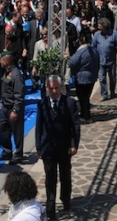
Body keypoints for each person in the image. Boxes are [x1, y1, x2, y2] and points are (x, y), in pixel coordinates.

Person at [35, 75, 80, 220]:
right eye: (51, 88)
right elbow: (39, 126)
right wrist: (38, 147)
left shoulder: (70, 103)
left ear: (61, 88)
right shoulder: (42, 104)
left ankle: (66, 199)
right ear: (46, 88)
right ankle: (50, 208)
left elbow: (75, 126)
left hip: (64, 147)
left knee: (65, 176)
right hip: (48, 148)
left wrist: (74, 144)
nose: (54, 91)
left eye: (56, 88)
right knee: (50, 179)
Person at [0, 51, 26, 164]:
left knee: (17, 133)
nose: (0, 62)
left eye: (1, 60)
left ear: (5, 61)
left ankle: (18, 155)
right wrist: (2, 101)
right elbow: (5, 89)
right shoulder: (7, 72)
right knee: (3, 130)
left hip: (13, 108)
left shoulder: (16, 75)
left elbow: (19, 94)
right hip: (5, 107)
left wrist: (15, 110)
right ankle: (6, 151)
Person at [67, 28, 99, 123]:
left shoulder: (81, 51)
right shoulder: (94, 50)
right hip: (92, 77)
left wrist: (67, 57)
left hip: (82, 77)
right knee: (86, 97)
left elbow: (72, 62)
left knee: (83, 98)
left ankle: (86, 116)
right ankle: (85, 114)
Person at [92, 18, 117, 101]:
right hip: (100, 60)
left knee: (112, 77)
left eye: (100, 25)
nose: (98, 26)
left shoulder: (114, 34)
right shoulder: (97, 34)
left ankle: (112, 91)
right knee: (101, 78)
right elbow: (93, 47)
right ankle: (104, 94)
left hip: (111, 60)